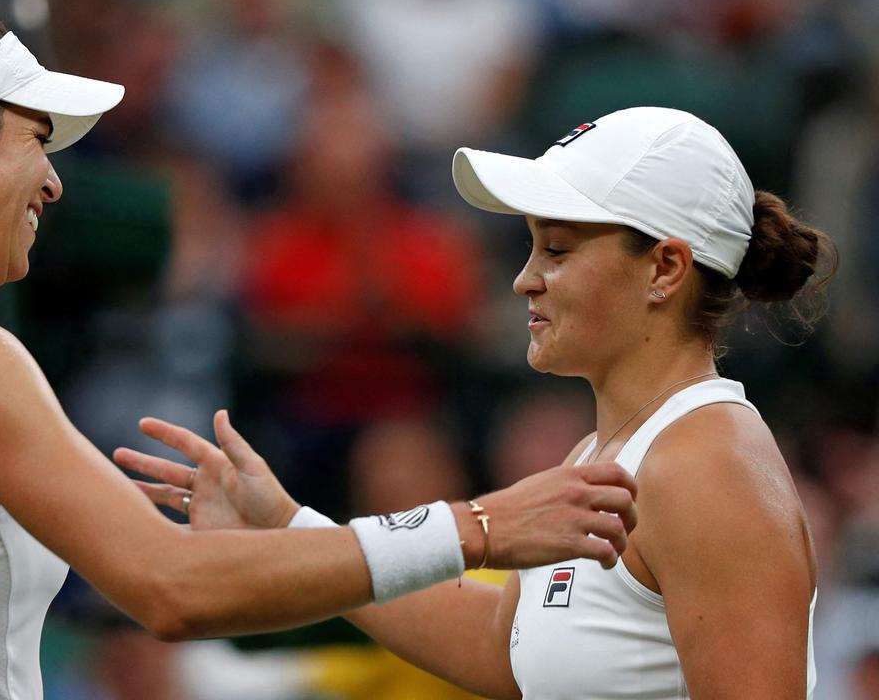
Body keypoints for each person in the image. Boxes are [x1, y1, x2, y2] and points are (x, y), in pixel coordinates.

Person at [0, 0, 642, 699]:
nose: (51, 182)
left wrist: (283, 532)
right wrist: (475, 527)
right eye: (38, 141)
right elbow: (171, 587)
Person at [119, 106, 828, 698]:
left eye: (557, 249)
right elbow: (502, 644)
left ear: (665, 269)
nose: (525, 280)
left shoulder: (710, 467)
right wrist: (288, 526)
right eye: (531, 249)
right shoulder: (606, 453)